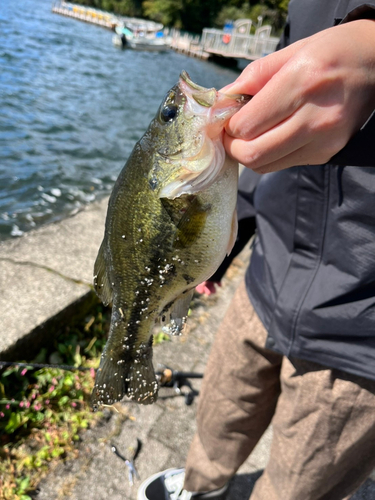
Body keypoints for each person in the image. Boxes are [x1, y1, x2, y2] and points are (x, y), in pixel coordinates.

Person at [138, 1, 375, 499]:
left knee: (301, 483)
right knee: (220, 413)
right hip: (266, 272)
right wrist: (235, 234)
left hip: (361, 334)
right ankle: (200, 486)